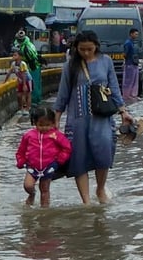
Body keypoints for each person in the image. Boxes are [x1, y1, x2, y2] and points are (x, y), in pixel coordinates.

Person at [54, 30, 133, 205]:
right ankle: (86, 201)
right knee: (79, 158)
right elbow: (63, 94)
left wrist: (123, 112)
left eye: (89, 49)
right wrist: (57, 118)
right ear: (76, 48)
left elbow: (114, 87)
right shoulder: (70, 66)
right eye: (82, 49)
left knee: (104, 154)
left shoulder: (106, 62)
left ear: (96, 46)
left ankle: (100, 188)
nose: (86, 53)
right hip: (77, 119)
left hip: (102, 118)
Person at [15, 106, 71, 208]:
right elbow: (21, 151)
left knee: (44, 189)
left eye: (47, 125)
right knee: (28, 185)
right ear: (35, 123)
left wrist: (59, 160)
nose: (44, 128)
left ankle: (44, 211)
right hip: (32, 166)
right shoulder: (29, 135)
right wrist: (21, 161)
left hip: (48, 167)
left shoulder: (56, 135)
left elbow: (67, 148)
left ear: (53, 123)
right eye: (41, 125)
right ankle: (32, 194)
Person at [14, 30, 43, 105]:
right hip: (33, 66)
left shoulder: (26, 48)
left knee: (33, 84)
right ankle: (37, 100)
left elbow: (31, 59)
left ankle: (34, 101)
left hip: (33, 67)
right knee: (35, 84)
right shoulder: (25, 44)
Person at [5, 49, 33, 114]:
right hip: (21, 80)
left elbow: (24, 74)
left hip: (27, 80)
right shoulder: (13, 64)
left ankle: (27, 109)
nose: (13, 56)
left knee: (27, 94)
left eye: (15, 55)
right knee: (19, 95)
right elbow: (9, 72)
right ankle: (21, 108)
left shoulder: (23, 64)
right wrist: (5, 81)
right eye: (13, 55)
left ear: (20, 56)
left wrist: (24, 85)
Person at [122, 28, 141, 101]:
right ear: (131, 34)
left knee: (134, 80)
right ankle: (127, 95)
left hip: (134, 64)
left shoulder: (133, 43)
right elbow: (125, 54)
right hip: (129, 64)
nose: (137, 36)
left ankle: (133, 95)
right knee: (128, 81)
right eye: (135, 34)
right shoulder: (128, 43)